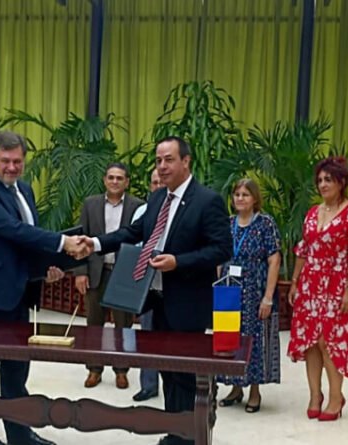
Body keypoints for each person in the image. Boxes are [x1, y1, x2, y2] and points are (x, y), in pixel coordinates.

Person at [78, 136, 233, 445]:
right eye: (159, 160)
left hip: (187, 303)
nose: (162, 166)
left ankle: (188, 436)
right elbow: (132, 232)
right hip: (156, 300)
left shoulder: (207, 200)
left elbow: (221, 249)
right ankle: (174, 431)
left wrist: (179, 262)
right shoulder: (158, 198)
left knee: (185, 374)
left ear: (186, 161)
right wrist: (94, 243)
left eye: (169, 160)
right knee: (167, 370)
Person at [0, 130, 82, 445]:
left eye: (18, 161)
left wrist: (47, 268)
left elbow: (28, 239)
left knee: (16, 369)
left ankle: (19, 434)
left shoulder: (24, 189)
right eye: (6, 161)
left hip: (21, 291)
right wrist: (61, 242)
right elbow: (10, 229)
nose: (12, 167)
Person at [287, 156, 348, 422]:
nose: (323, 184)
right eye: (320, 180)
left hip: (337, 284)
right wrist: (295, 281)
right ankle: (315, 395)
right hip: (310, 284)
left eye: (329, 180)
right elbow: (304, 249)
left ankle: (336, 397)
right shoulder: (313, 212)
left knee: (329, 342)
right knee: (310, 342)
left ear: (342, 182)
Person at [74, 163, 144, 390]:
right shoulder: (90, 204)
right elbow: (81, 238)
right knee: (94, 324)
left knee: (124, 325)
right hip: (97, 272)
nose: (115, 181)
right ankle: (94, 369)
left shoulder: (138, 207)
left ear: (127, 182)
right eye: (111, 177)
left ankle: (121, 370)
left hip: (123, 273)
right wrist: (80, 272)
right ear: (104, 180)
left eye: (119, 178)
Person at [217, 179, 281, 414]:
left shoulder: (265, 224)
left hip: (255, 291)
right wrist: (217, 286)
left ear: (255, 198)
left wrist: (268, 297)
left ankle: (255, 391)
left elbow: (274, 260)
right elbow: (220, 256)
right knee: (230, 339)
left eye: (245, 194)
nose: (240, 198)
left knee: (253, 340)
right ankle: (235, 387)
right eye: (237, 194)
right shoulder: (228, 224)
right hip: (228, 291)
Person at [131, 169, 165, 403]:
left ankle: (177, 384)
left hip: (174, 286)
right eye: (154, 183)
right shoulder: (142, 212)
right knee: (147, 337)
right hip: (148, 286)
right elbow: (133, 244)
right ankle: (149, 385)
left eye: (162, 182)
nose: (158, 187)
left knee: (176, 340)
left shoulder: (183, 209)